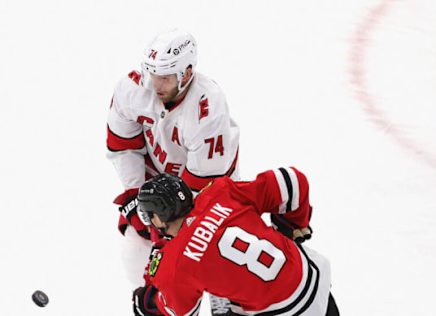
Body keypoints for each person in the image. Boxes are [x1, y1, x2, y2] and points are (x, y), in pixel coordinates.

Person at [106, 28, 240, 287]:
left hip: (210, 191)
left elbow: (202, 187)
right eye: (152, 75)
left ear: (187, 73)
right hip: (159, 181)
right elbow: (122, 147)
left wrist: (166, 226)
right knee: (136, 244)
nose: (156, 85)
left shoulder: (208, 108)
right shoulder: (131, 90)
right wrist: (136, 194)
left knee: (212, 255)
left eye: (165, 78)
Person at [132, 168, 340, 316]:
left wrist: (147, 302)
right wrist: (291, 227)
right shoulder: (221, 193)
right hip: (312, 278)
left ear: (158, 218)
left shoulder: (175, 263)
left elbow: (179, 310)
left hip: (282, 311)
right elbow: (291, 181)